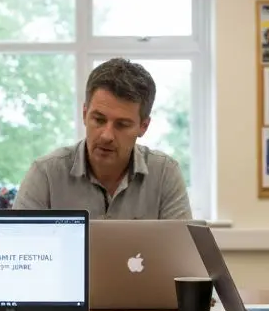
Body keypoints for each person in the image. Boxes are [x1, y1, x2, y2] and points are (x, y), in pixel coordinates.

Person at [15, 58, 191, 219]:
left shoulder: (165, 174)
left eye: (122, 125)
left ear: (143, 126)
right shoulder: (46, 174)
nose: (106, 136)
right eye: (99, 120)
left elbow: (181, 244)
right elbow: (18, 241)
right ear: (84, 114)